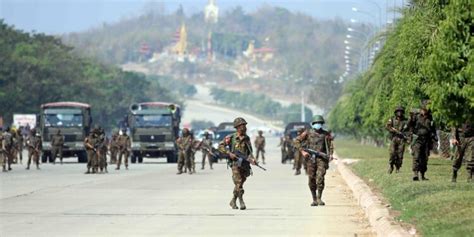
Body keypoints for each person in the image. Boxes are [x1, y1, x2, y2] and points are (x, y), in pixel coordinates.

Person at [218, 117, 257, 210]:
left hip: (244, 164)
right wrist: (229, 153)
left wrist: (253, 160)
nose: (244, 127)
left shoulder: (246, 138)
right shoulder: (231, 138)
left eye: (245, 125)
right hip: (235, 163)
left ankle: (233, 201)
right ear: (237, 127)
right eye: (242, 125)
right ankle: (241, 201)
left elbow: (250, 152)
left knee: (239, 184)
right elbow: (220, 146)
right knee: (238, 182)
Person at [294, 115, 334, 206]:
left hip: (322, 159)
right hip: (310, 159)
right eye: (316, 123)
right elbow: (296, 141)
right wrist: (303, 151)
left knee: (320, 177)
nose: (318, 124)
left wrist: (331, 154)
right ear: (313, 124)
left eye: (319, 123)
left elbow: (330, 145)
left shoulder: (326, 134)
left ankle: (319, 198)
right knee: (311, 179)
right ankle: (314, 199)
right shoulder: (307, 133)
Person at [407, 107, 436, 181]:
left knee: (425, 158)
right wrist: (410, 117)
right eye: (423, 109)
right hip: (417, 139)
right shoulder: (416, 117)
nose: (424, 111)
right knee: (416, 156)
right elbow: (409, 125)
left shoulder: (431, 118)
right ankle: (415, 174)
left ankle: (422, 175)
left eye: (426, 110)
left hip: (426, 140)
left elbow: (433, 129)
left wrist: (433, 137)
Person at [385, 106, 409, 174]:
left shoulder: (405, 121)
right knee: (392, 153)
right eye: (398, 111)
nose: (399, 113)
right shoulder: (392, 119)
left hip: (401, 139)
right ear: (396, 112)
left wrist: (406, 136)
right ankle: (391, 166)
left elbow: (408, 130)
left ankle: (398, 168)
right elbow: (387, 126)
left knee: (400, 155)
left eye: (401, 111)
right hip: (394, 138)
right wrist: (393, 130)